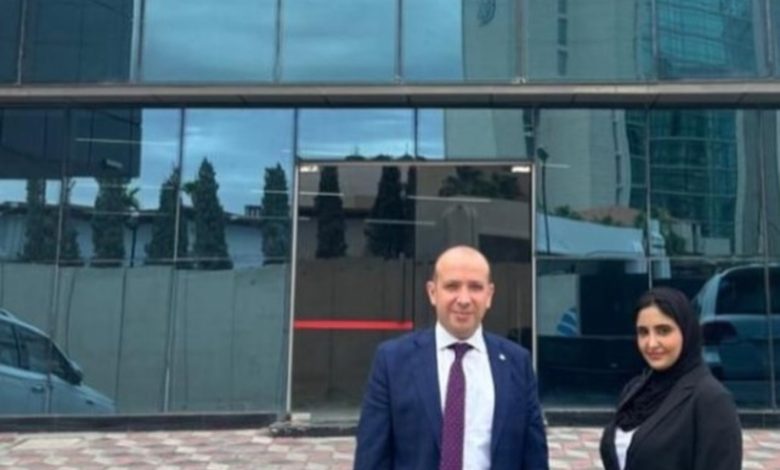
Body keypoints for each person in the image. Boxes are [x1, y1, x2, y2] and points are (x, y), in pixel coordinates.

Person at [354, 245, 548, 470]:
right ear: (432, 292)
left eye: (475, 287)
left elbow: (534, 458)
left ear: (489, 295)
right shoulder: (392, 361)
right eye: (452, 286)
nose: (464, 299)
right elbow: (371, 458)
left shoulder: (517, 363)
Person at [600, 287, 742, 470]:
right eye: (643, 332)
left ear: (686, 331)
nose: (651, 343)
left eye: (663, 331)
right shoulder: (636, 389)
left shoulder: (710, 399)